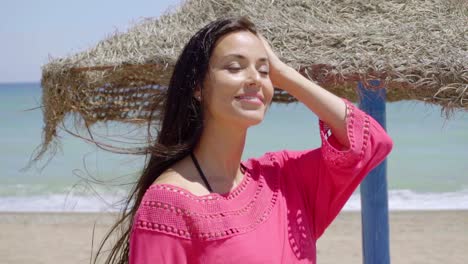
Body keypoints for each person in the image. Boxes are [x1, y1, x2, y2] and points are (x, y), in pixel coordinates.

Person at [99, 16, 393, 264]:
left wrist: (285, 74)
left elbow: (371, 142)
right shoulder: (169, 205)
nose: (255, 78)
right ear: (197, 87)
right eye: (235, 67)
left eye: (263, 70)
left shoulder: (283, 181)